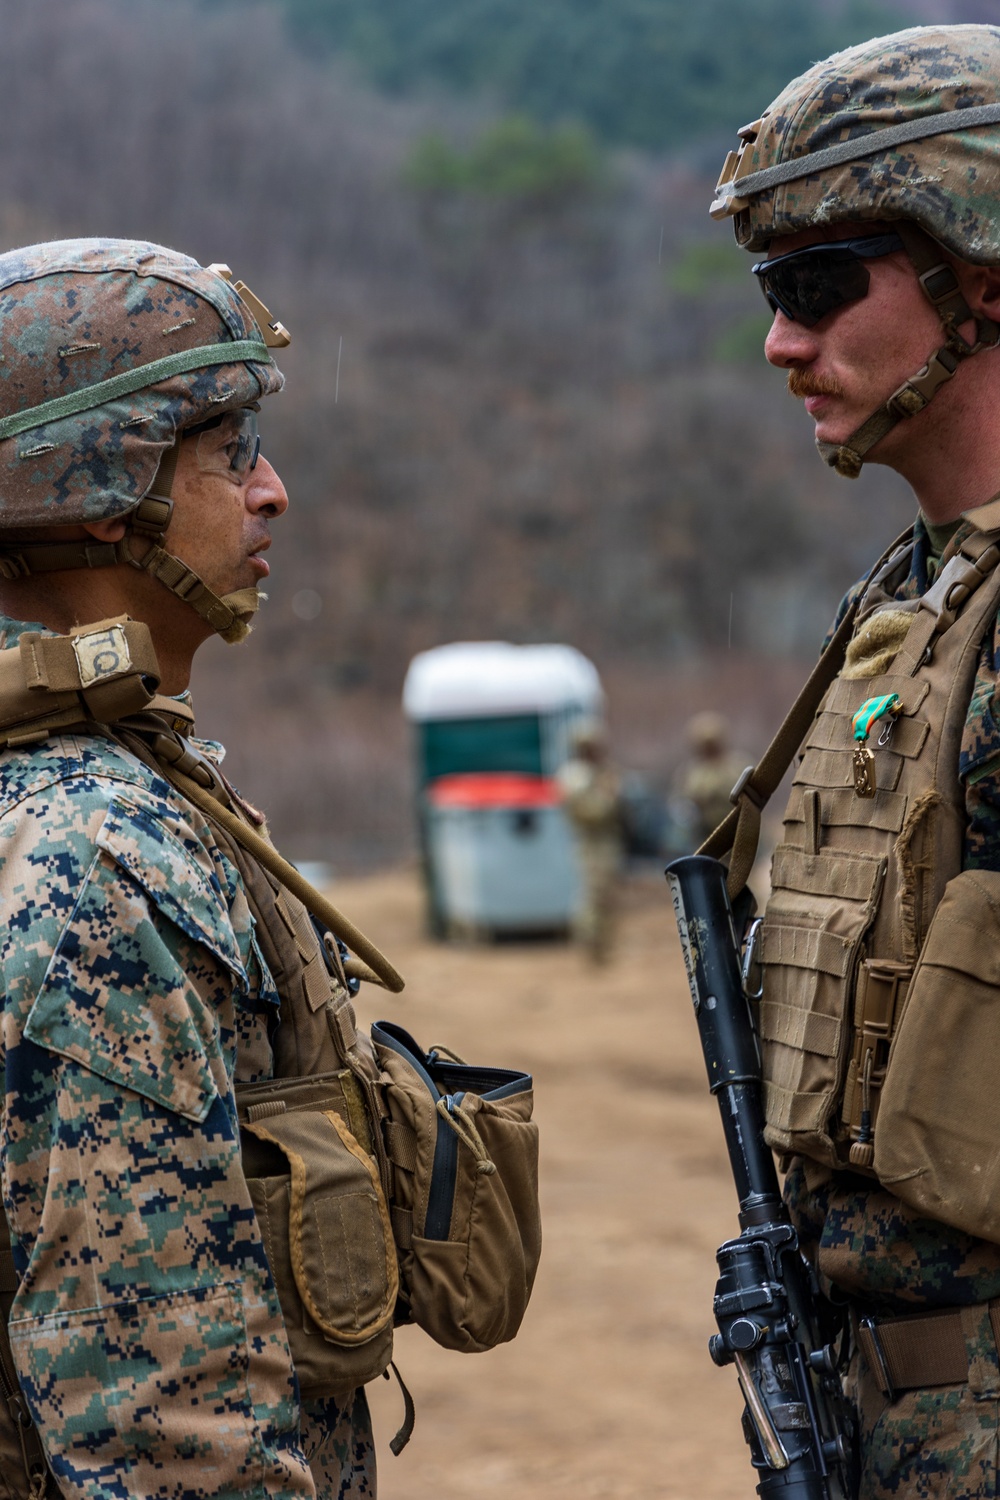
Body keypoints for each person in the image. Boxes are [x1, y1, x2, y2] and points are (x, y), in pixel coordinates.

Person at [0, 239, 398, 1499]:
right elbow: (170, 1427)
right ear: (99, 487)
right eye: (231, 452)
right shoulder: (96, 853)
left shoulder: (96, 783)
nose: (271, 493)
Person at [709, 24, 1000, 1498]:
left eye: (817, 287)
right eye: (771, 294)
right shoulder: (910, 595)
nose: (781, 342)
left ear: (980, 275)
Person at [557, 721, 622, 962]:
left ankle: (604, 946)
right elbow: (592, 811)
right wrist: (608, 800)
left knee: (608, 895)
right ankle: (590, 945)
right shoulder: (574, 776)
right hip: (589, 843)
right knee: (593, 894)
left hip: (608, 841)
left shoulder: (602, 772)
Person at [672, 710, 748, 848]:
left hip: (738, 832)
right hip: (704, 836)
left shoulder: (737, 766)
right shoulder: (691, 772)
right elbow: (682, 805)